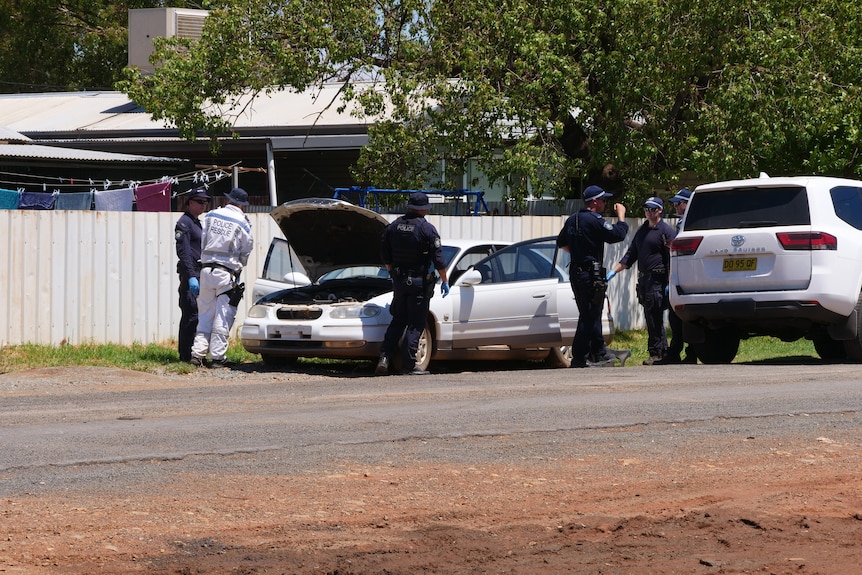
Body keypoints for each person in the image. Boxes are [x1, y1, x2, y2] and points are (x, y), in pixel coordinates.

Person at [376, 192, 449, 376]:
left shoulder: (393, 227)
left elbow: (385, 254)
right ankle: (408, 365)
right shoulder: (427, 229)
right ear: (424, 209)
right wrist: (445, 281)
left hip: (399, 283)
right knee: (416, 324)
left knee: (398, 320)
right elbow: (439, 259)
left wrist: (394, 272)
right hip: (418, 283)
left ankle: (384, 358)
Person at [557, 185, 628, 368]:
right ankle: (580, 358)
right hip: (589, 273)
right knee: (589, 316)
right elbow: (617, 235)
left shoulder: (573, 219)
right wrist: (621, 216)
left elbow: (562, 242)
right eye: (604, 200)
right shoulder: (594, 220)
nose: (605, 203)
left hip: (576, 271)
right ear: (595, 202)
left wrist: (579, 254)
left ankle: (599, 352)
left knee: (591, 313)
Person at [190, 188, 254, 368]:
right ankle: (217, 357)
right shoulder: (243, 222)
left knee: (204, 315)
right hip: (226, 274)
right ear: (241, 204)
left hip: (206, 271)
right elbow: (246, 249)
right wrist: (239, 265)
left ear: (229, 200)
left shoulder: (211, 215)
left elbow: (204, 240)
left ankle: (197, 354)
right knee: (223, 315)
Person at [607, 196, 676, 365]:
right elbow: (630, 255)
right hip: (645, 280)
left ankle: (659, 353)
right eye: (646, 209)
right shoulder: (642, 231)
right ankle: (658, 351)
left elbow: (672, 259)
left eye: (651, 209)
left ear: (659, 210)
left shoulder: (666, 232)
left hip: (658, 278)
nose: (648, 212)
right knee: (650, 316)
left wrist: (669, 282)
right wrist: (613, 272)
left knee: (655, 316)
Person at [175, 187, 210, 362]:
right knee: (190, 313)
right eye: (199, 201)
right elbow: (184, 252)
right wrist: (190, 276)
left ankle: (194, 353)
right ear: (189, 202)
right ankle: (185, 355)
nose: (203, 205)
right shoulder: (184, 223)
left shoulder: (196, 223)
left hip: (199, 272)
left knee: (198, 314)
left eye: (205, 202)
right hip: (191, 273)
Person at [664, 188, 697, 364]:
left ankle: (683, 351)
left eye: (679, 203)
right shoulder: (685, 222)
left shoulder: (686, 222)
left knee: (680, 316)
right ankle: (681, 350)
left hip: (686, 275)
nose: (676, 207)